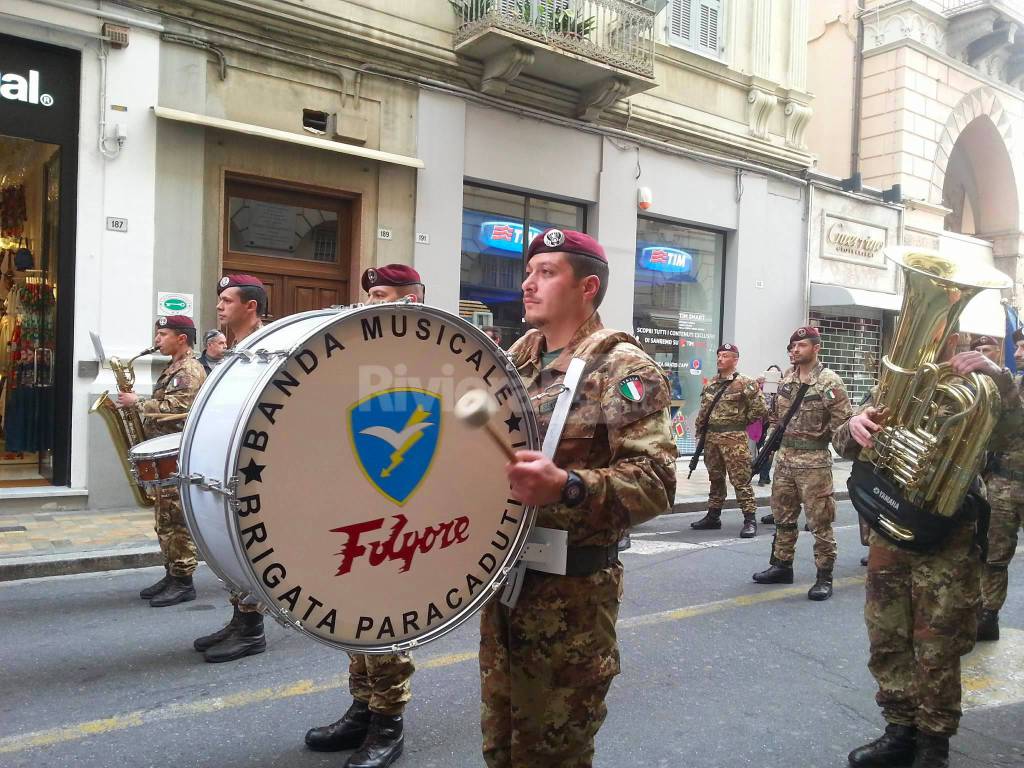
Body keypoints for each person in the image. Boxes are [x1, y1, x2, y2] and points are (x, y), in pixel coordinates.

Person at [481, 228, 676, 767]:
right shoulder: (513, 361)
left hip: (572, 602)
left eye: (547, 272)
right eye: (529, 271)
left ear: (587, 287)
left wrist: (567, 485)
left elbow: (657, 481)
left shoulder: (623, 368)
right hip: (505, 589)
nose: (528, 283)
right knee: (500, 747)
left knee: (553, 753)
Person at [837, 337, 1020, 768]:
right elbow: (844, 439)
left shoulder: (982, 384)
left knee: (938, 644)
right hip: (890, 528)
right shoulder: (895, 380)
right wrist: (854, 425)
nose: (939, 336)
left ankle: (933, 744)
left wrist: (1000, 378)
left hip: (948, 533)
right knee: (887, 636)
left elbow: (1016, 433)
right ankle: (899, 730)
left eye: (949, 329)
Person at [304, 264, 422, 768]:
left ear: (411, 300)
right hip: (354, 502)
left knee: (385, 617)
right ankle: (361, 708)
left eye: (380, 295)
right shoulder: (357, 353)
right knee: (353, 614)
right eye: (368, 295)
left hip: (397, 514)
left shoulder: (425, 358)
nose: (368, 304)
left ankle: (388, 724)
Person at [192, 274, 269, 663]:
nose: (220, 305)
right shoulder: (237, 347)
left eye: (227, 299)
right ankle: (240, 619)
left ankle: (252, 630)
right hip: (231, 459)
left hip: (257, 465)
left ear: (250, 306)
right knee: (230, 542)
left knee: (248, 546)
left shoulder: (268, 346)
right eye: (219, 298)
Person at [752, 326, 851, 601]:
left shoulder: (830, 382)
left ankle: (824, 576)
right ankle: (782, 566)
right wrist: (771, 447)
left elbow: (843, 424)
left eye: (802, 345)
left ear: (816, 348)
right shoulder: (785, 380)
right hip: (784, 460)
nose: (795, 350)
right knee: (783, 517)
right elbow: (774, 416)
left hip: (815, 462)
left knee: (820, 522)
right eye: (793, 346)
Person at [117, 315, 205, 607]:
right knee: (165, 518)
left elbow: (178, 408)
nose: (157, 340)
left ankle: (183, 580)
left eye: (163, 334)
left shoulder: (189, 370)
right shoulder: (174, 367)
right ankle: (171, 573)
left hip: (176, 455)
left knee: (176, 519)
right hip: (164, 453)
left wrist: (138, 403)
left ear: (181, 338)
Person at [690, 343, 767, 537]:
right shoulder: (711, 383)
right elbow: (704, 411)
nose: (720, 359)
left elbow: (759, 409)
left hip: (734, 439)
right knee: (715, 478)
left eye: (725, 355)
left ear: (735, 359)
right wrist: (700, 431)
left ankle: (750, 519)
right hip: (711, 439)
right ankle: (713, 516)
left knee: (740, 480)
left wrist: (739, 423)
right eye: (718, 355)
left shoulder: (745, 382)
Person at [978, 326, 1024, 641]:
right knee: (993, 555)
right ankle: (987, 616)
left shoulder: (1011, 386)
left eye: (1023, 348)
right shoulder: (1015, 384)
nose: (1017, 354)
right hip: (1004, 484)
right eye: (1017, 347)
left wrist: (999, 376)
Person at [762, 350, 798, 526]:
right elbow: (776, 411)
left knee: (809, 487)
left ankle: (813, 518)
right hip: (784, 440)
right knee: (781, 484)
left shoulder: (822, 379)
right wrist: (771, 432)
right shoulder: (786, 379)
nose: (794, 352)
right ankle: (777, 512)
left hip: (808, 445)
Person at [755, 364, 782, 486]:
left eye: (775, 374)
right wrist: (758, 382)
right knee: (759, 448)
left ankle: (763, 476)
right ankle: (765, 476)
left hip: (773, 425)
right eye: (770, 373)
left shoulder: (783, 390)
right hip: (760, 424)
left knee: (769, 450)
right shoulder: (760, 388)